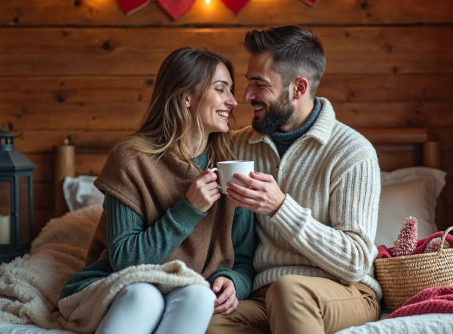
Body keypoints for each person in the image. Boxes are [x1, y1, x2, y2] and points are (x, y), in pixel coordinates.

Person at [60, 47, 256, 334]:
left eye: (231, 90)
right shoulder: (131, 159)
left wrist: (233, 282)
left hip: (191, 286)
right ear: (186, 97)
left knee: (200, 294)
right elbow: (125, 259)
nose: (234, 101)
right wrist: (189, 210)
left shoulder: (230, 169)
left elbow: (244, 261)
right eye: (221, 89)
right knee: (145, 295)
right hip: (124, 282)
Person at [207, 26, 382, 334]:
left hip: (345, 291)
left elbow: (356, 261)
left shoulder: (352, 152)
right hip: (263, 295)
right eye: (247, 83)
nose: (246, 96)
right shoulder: (236, 146)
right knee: (201, 319)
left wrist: (280, 208)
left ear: (298, 89)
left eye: (259, 85)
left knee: (288, 292)